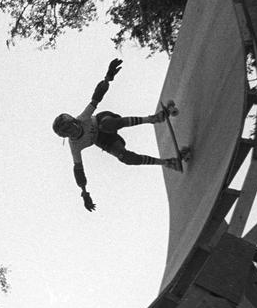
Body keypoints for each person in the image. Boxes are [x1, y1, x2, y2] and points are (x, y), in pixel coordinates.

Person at [52, 58, 182, 212]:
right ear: (67, 135)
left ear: (74, 121)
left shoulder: (83, 118)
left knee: (106, 125)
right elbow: (78, 170)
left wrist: (108, 77)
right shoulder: (75, 146)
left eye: (73, 125)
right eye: (70, 131)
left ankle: (153, 119)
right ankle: (167, 163)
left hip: (104, 119)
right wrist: (84, 192)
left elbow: (97, 97)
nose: (75, 129)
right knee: (125, 158)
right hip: (103, 140)